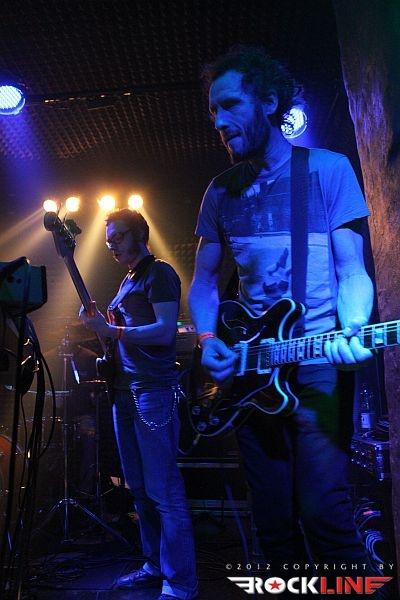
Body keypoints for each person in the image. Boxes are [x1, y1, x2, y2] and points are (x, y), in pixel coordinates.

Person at [188, 46, 375, 574]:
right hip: (251, 373)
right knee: (272, 524)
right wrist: (208, 340)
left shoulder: (327, 170)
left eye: (230, 105)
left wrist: (354, 327)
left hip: (316, 365)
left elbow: (352, 270)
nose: (218, 121)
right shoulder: (220, 192)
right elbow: (203, 283)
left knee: (325, 517)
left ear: (269, 101)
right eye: (212, 110)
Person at [79, 208, 197, 600]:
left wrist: (111, 329)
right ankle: (155, 565)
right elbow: (119, 339)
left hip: (152, 392)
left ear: (140, 233)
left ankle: (181, 583)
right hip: (126, 392)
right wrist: (100, 327)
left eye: (119, 236)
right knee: (140, 489)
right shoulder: (128, 279)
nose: (111, 244)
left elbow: (164, 332)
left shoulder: (158, 272)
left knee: (164, 492)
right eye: (108, 239)